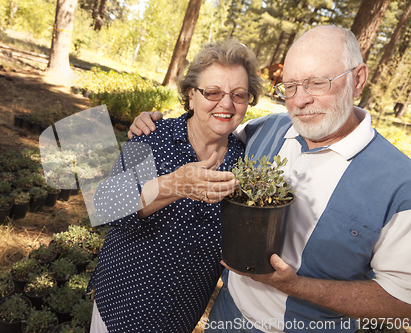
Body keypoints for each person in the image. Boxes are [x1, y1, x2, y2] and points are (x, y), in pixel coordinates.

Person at [128, 25, 411, 333]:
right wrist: (153, 128)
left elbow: (404, 304)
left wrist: (297, 286)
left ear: (358, 80)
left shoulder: (400, 183)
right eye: (289, 87)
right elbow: (210, 127)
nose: (300, 101)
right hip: (224, 316)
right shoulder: (265, 130)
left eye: (317, 83)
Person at [86, 39, 263, 333]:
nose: (227, 104)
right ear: (191, 95)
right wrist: (175, 184)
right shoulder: (152, 137)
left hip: (180, 316)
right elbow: (106, 207)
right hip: (122, 307)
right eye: (213, 92)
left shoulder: (244, 163)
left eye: (239, 94)